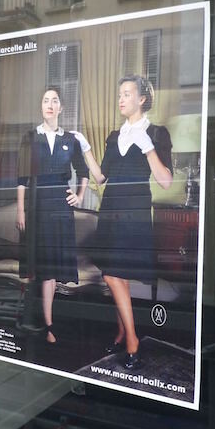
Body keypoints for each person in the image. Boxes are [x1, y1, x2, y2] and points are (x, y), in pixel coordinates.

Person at [73, 75, 173, 369]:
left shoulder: (157, 133)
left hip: (135, 210)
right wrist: (86, 148)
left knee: (113, 275)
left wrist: (148, 148)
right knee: (116, 274)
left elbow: (166, 182)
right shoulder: (114, 136)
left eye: (127, 94)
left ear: (142, 99)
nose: (121, 99)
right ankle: (121, 332)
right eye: (119, 94)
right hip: (112, 208)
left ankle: (132, 341)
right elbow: (101, 178)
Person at [16, 88, 89, 343]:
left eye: (54, 100)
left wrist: (79, 196)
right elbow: (22, 179)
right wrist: (20, 210)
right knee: (38, 266)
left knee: (51, 270)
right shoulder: (30, 137)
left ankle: (48, 325)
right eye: (45, 100)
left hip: (59, 205)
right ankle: (33, 319)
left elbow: (83, 171)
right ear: (41, 107)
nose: (50, 104)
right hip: (36, 205)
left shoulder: (71, 139)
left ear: (61, 108)